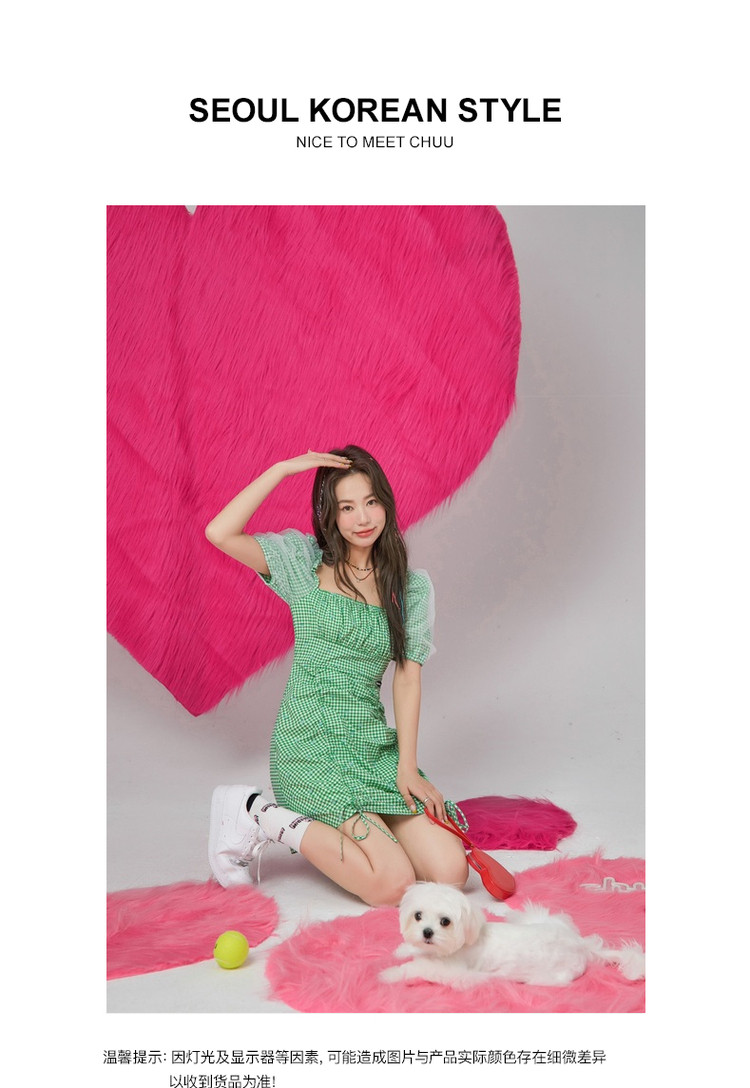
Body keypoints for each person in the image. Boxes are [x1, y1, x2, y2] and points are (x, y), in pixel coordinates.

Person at [205, 446, 468, 906]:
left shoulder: (409, 588)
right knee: (391, 885)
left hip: (371, 745)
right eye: (346, 507)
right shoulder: (303, 565)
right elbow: (219, 532)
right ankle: (258, 813)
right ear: (329, 514)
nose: (362, 518)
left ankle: (374, 828)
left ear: (385, 502)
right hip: (311, 746)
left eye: (371, 502)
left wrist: (407, 766)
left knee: (450, 873)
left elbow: (407, 679)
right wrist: (281, 469)